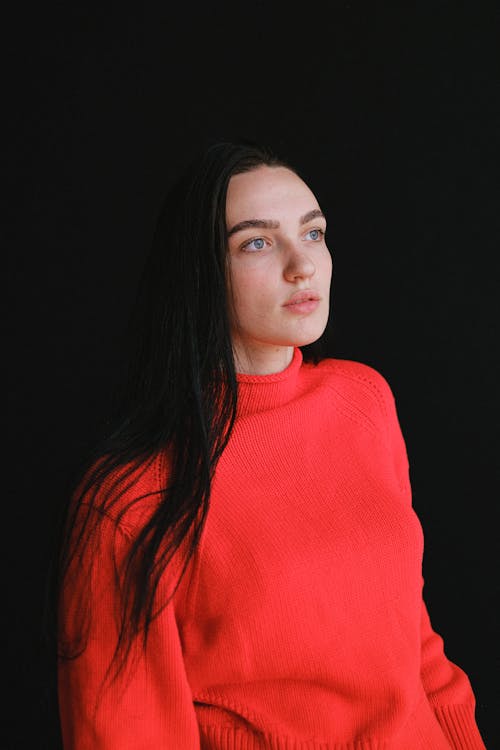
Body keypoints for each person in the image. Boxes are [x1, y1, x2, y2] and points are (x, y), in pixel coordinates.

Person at [56, 139, 487, 749]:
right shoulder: (129, 498)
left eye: (313, 233)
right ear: (199, 272)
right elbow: (126, 731)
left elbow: (412, 641)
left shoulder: (363, 401)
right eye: (256, 242)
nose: (302, 265)